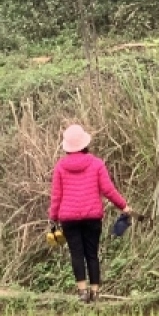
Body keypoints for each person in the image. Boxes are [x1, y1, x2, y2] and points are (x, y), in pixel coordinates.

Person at [48, 124, 132, 303]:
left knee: (77, 254)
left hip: (69, 219)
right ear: (85, 143)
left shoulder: (60, 167)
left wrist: (53, 217)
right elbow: (108, 190)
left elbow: (56, 196)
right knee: (92, 254)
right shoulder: (96, 164)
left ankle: (82, 292)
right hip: (92, 216)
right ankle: (95, 292)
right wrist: (123, 206)